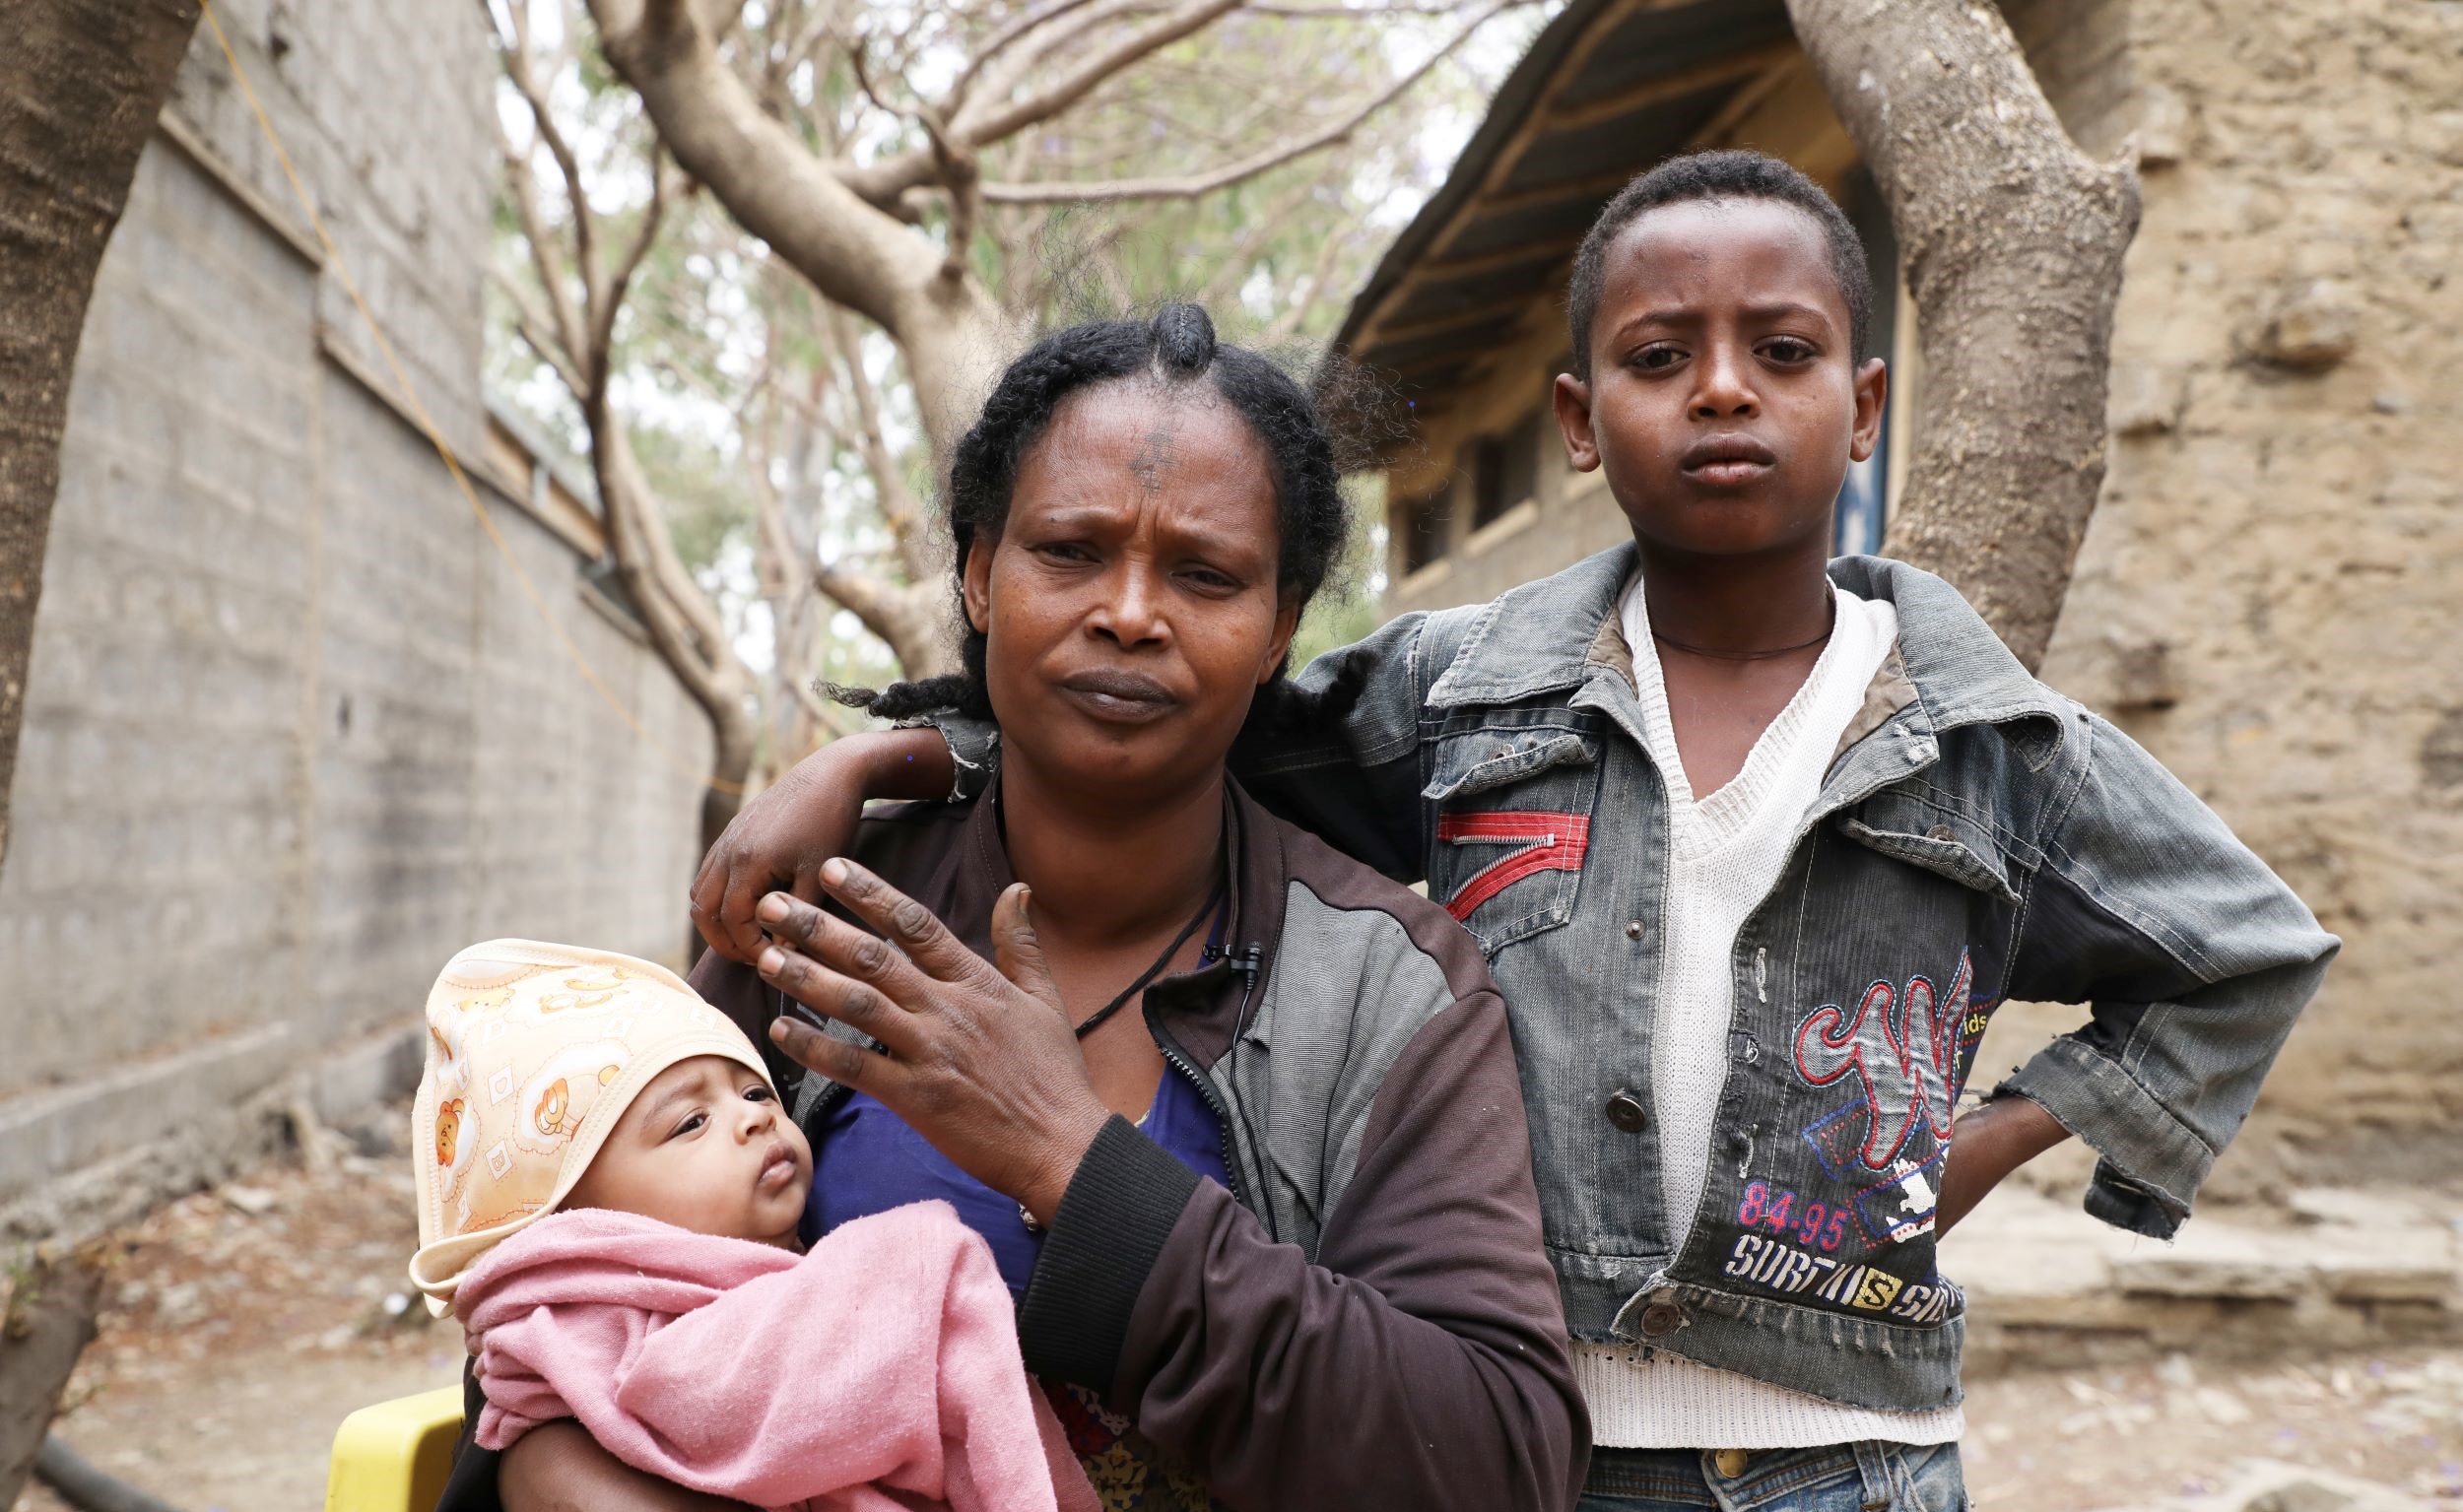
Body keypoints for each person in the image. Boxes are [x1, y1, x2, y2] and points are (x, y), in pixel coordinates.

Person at [698, 154, 2339, 1511]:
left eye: (1782, 353)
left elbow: (2246, 954)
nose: (1720, 393)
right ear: (1575, 417)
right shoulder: (1471, 693)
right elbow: (1176, 715)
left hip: (1848, 1447)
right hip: (1550, 1418)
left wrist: (1948, 1162)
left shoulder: (1992, 743)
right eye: (1655, 358)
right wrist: (890, 760)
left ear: (1867, 400)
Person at [461, 303, 1588, 1512]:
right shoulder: (824, 915)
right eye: (1070, 550)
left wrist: (1071, 1162)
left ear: (1279, 631)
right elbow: (556, 1308)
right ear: (978, 574)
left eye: (1205, 575)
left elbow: (1495, 1459)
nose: (1130, 612)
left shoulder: (1388, 987)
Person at [409, 939, 1097, 1512]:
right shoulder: (579, 1376)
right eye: (690, 1121)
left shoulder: (821, 1290)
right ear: (581, 1226)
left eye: (754, 1089)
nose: (756, 1116)